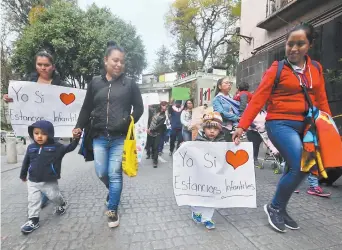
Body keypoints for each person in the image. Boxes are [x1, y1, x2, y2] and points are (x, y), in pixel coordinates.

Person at [233, 23, 331, 233]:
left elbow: (321, 99)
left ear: (310, 45)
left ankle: (281, 208)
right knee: (300, 165)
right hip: (279, 123)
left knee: (299, 169)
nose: (294, 48)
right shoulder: (276, 69)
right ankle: (274, 207)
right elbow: (257, 100)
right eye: (290, 44)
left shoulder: (315, 69)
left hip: (307, 127)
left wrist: (328, 125)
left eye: (300, 44)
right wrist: (241, 126)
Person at [73, 41, 143, 228]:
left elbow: (139, 108)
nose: (119, 64)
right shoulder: (95, 83)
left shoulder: (130, 85)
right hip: (99, 136)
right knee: (101, 172)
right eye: (115, 60)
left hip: (119, 137)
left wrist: (128, 120)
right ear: (106, 60)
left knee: (114, 173)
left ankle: (112, 209)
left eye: (121, 61)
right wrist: (78, 125)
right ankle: (113, 192)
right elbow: (87, 107)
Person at [3, 50, 68, 209]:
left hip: (53, 130)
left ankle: (49, 191)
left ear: (53, 66)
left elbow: (68, 105)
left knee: (49, 161)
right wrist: (9, 98)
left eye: (46, 65)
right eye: (40, 64)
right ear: (35, 65)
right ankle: (39, 193)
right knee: (35, 160)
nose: (43, 68)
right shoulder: (28, 82)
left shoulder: (61, 84)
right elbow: (20, 101)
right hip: (34, 130)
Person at [19, 120, 80, 234]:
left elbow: (70, 147)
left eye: (43, 133)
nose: (39, 136)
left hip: (49, 181)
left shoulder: (56, 147)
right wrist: (23, 174)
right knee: (33, 201)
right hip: (33, 181)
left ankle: (61, 204)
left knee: (54, 196)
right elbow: (26, 162)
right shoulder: (31, 147)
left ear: (50, 134)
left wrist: (76, 138)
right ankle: (33, 220)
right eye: (36, 133)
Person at [191, 112, 225, 230]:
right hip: (200, 176)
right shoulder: (198, 141)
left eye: (215, 129)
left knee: (212, 197)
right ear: (204, 128)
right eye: (209, 128)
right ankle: (196, 212)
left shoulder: (223, 142)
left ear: (219, 130)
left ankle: (207, 218)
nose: (212, 131)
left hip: (214, 176)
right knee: (198, 196)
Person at [213, 78, 240, 142]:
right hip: (224, 128)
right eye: (226, 83)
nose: (229, 85)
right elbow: (221, 112)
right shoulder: (217, 99)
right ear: (219, 86)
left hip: (235, 127)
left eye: (229, 83)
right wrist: (236, 118)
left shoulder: (232, 97)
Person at [147, 102, 168, 168]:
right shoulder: (154, 111)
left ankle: (155, 161)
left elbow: (160, 125)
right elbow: (149, 119)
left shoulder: (163, 116)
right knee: (151, 146)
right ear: (160, 106)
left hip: (157, 132)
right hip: (149, 131)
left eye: (166, 106)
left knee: (156, 147)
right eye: (163, 106)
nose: (165, 107)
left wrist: (151, 129)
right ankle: (152, 156)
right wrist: (148, 128)